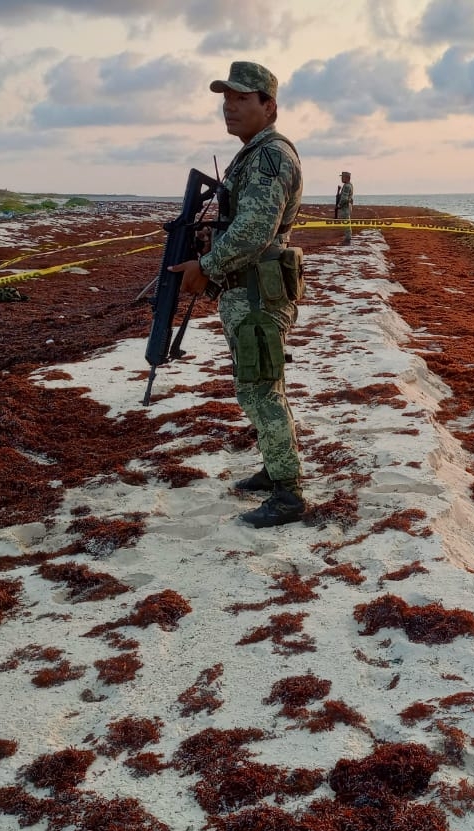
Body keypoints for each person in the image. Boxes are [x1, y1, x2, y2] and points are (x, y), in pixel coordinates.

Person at [169, 61, 307, 528]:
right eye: (226, 98)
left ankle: (288, 494)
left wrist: (205, 267)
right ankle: (274, 472)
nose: (230, 107)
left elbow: (253, 231)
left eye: (242, 98)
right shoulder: (252, 153)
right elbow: (240, 225)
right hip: (247, 290)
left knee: (260, 387)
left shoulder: (270, 157)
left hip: (257, 294)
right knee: (256, 383)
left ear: (269, 106)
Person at [335, 171, 354, 244]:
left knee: (346, 223)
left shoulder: (346, 186)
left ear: (347, 178)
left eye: (343, 177)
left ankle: (348, 239)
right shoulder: (349, 185)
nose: (341, 179)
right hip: (347, 206)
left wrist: (339, 205)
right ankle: (347, 238)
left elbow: (344, 198)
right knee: (347, 223)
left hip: (345, 207)